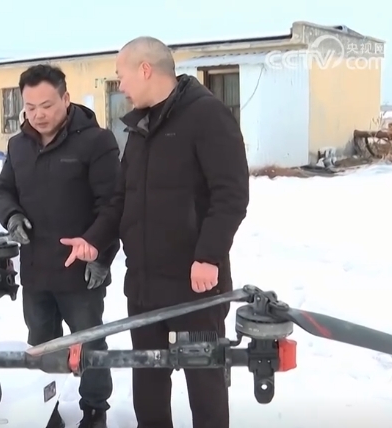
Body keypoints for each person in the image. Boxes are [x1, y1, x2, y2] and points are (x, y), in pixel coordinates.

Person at [61, 37, 250, 428]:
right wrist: (94, 239)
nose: (121, 86)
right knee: (148, 387)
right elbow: (121, 199)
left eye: (122, 76)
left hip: (194, 288)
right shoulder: (141, 127)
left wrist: (209, 255)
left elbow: (231, 195)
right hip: (144, 286)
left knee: (205, 386)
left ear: (145, 69)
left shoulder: (207, 116)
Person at [0, 64, 121, 428]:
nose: (38, 115)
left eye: (46, 105)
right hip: (36, 270)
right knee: (42, 346)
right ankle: (46, 411)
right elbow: (3, 191)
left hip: (81, 270)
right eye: (30, 107)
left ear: (66, 98)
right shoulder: (19, 145)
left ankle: (95, 410)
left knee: (90, 343)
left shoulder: (96, 142)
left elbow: (113, 204)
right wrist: (12, 217)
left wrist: (102, 254)